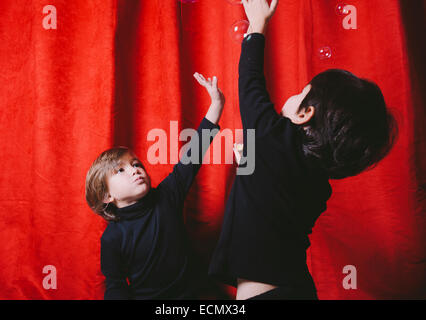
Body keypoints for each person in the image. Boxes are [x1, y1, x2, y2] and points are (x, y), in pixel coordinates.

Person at [208, 0, 398, 300]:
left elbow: (250, 82)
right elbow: (274, 194)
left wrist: (258, 24)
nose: (294, 93)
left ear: (304, 113)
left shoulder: (272, 136)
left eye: (301, 92)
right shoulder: (318, 182)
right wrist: (251, 161)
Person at [85, 72, 225, 299]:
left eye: (135, 163)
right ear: (106, 196)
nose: (134, 169)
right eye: (120, 170)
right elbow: (116, 285)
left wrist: (216, 105)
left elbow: (193, 155)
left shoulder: (167, 195)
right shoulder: (112, 238)